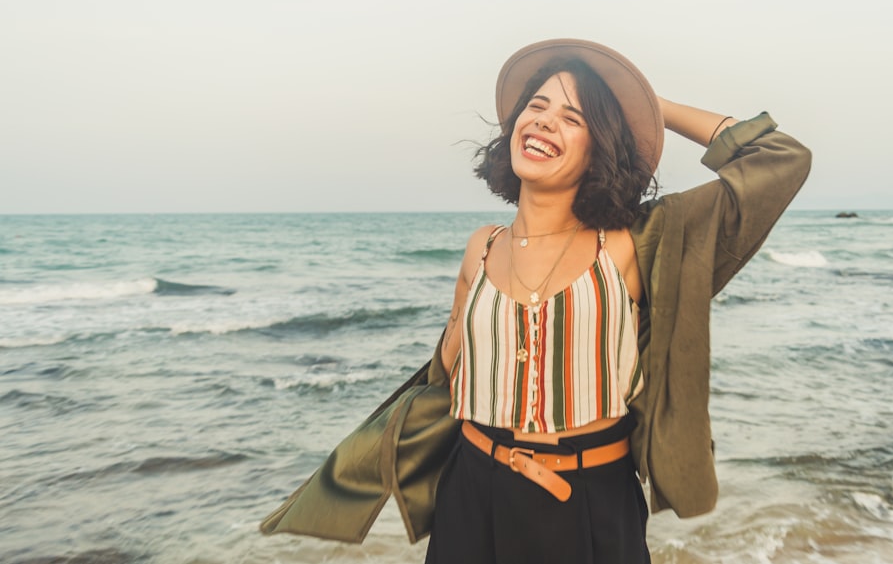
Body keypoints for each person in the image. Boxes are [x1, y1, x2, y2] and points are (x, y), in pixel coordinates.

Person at [259, 39, 811, 563]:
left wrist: (648, 106)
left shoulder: (631, 245)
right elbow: (445, 376)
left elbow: (779, 159)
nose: (545, 119)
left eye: (574, 117)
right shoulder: (481, 247)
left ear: (601, 146)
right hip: (471, 492)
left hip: (589, 502)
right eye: (538, 105)